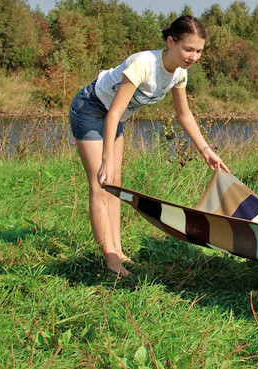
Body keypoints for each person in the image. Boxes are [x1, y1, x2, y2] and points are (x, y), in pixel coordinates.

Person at [69, 15, 230, 277]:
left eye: (199, 51)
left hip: (113, 117)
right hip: (91, 109)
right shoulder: (144, 64)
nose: (194, 56)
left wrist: (206, 150)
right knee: (101, 185)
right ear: (170, 41)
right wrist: (107, 157)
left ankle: (119, 252)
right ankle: (110, 261)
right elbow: (113, 113)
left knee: (115, 186)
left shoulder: (179, 73)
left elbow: (184, 115)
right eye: (188, 49)